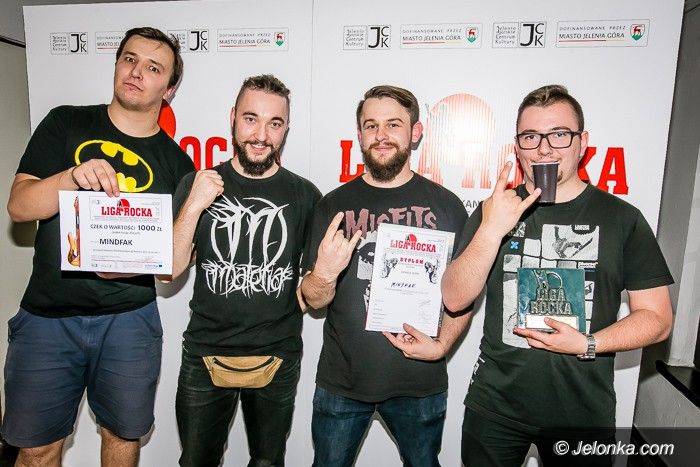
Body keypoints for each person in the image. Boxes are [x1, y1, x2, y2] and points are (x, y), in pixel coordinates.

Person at [436, 84, 673, 466]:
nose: (544, 148)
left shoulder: (621, 218)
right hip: (495, 409)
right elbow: (454, 298)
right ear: (517, 146)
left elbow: (658, 319)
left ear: (583, 142)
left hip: (583, 416)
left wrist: (588, 344)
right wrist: (492, 229)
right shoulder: (493, 211)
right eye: (531, 136)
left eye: (559, 134)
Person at [3, 27, 194, 467]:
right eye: (129, 59)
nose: (137, 72)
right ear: (116, 65)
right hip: (47, 316)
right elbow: (19, 206)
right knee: (35, 449)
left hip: (129, 320)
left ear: (169, 89)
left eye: (153, 68)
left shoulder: (178, 164)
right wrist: (71, 177)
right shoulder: (66, 123)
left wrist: (137, 265)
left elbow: (176, 261)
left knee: (122, 437)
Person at [299, 85, 470, 467]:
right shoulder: (333, 206)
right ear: (360, 135)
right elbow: (314, 301)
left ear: (415, 132)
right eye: (371, 125)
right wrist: (324, 273)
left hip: (419, 382)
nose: (381, 135)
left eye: (393, 124)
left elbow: (464, 295)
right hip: (342, 382)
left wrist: (443, 344)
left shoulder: (448, 207)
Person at [172, 74, 320, 467]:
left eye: (275, 123)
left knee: (268, 462)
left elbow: (315, 291)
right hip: (205, 352)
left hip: (277, 355)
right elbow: (168, 272)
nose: (261, 135)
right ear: (233, 118)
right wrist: (194, 204)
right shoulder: (198, 184)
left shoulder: (305, 195)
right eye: (251, 119)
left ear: (286, 129)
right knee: (196, 461)